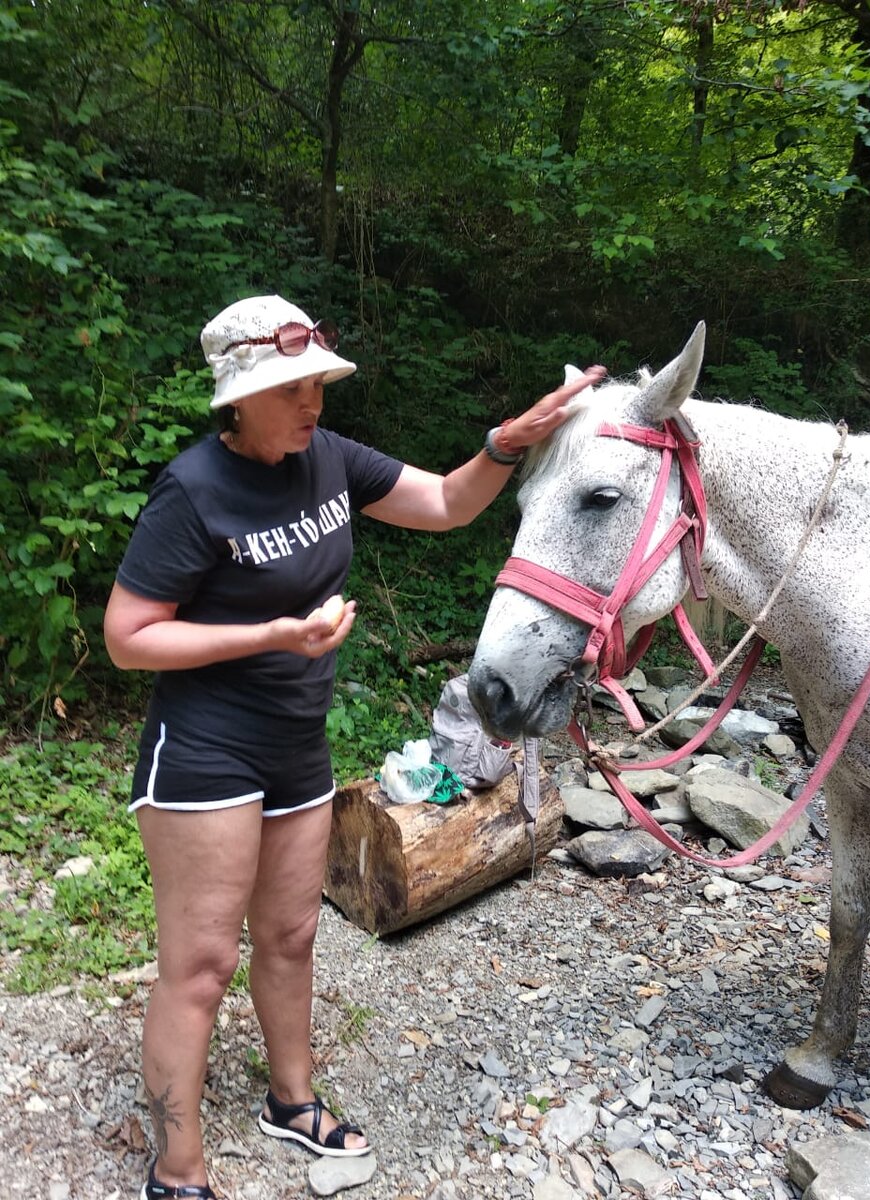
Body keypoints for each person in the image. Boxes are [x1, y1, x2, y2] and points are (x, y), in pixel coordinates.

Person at [103, 293, 604, 1200]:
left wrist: (506, 444)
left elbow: (448, 504)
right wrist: (271, 635)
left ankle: (290, 1102)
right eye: (292, 387)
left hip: (297, 746)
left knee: (292, 935)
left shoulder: (328, 459)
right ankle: (176, 1170)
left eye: (319, 384)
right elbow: (130, 636)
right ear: (238, 396)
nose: (313, 403)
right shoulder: (193, 490)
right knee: (202, 963)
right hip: (206, 750)